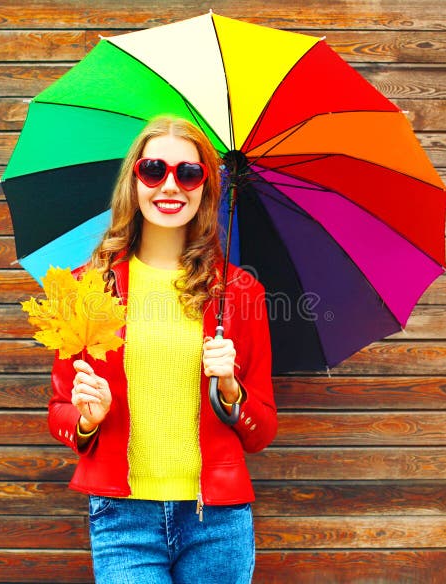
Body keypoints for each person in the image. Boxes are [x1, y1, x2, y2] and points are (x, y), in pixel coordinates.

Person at [48, 116, 277, 583]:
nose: (170, 186)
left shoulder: (239, 292)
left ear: (206, 188)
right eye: (155, 169)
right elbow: (59, 411)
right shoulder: (87, 287)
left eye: (188, 173)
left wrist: (231, 391)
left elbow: (262, 430)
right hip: (122, 516)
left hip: (217, 520)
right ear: (134, 179)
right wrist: (87, 419)